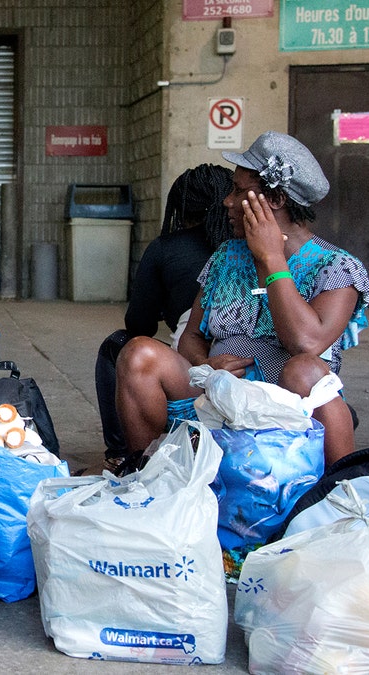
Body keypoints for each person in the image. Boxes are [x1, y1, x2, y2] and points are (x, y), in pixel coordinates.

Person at [116, 131, 369, 467]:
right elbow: (191, 337)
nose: (227, 202)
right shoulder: (226, 256)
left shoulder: (337, 268)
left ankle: (337, 490)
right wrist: (205, 365)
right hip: (216, 396)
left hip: (286, 406)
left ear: (276, 200)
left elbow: (306, 342)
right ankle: (146, 473)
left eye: (238, 191)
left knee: (306, 369)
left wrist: (272, 260)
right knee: (138, 353)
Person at [96, 164, 233, 471]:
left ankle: (123, 452)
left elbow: (139, 325)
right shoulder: (243, 250)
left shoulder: (167, 248)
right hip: (237, 371)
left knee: (119, 346)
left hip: (203, 376)